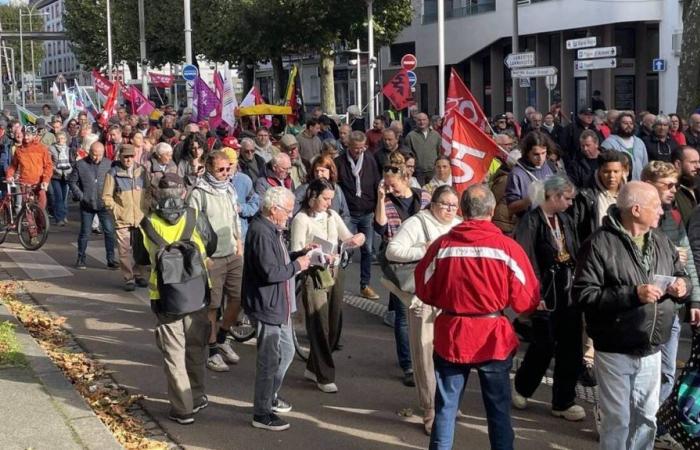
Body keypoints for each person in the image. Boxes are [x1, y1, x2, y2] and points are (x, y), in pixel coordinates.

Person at [415, 184, 540, 450]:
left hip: (452, 333)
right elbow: (526, 299)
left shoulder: (442, 246)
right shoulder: (508, 248)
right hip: (493, 336)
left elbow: (424, 288)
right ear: (493, 211)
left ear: (462, 210)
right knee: (498, 411)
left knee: (446, 408)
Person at [572, 181, 690, 450]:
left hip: (651, 349)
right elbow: (582, 295)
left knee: (647, 419)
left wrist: (682, 287)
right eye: (656, 206)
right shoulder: (599, 243)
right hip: (615, 349)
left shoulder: (661, 241)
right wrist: (632, 294)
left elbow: (680, 274)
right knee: (618, 420)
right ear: (636, 210)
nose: (662, 211)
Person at [385, 185, 461, 435]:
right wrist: (424, 249)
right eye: (445, 204)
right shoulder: (417, 223)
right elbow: (392, 251)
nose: (449, 210)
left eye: (453, 205)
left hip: (452, 298)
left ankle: (448, 402)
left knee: (450, 354)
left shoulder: (460, 224)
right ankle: (430, 410)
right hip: (423, 298)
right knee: (425, 354)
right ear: (433, 204)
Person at [141, 173, 216, 425]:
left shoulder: (147, 223)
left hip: (165, 298)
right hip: (198, 293)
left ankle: (182, 409)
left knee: (174, 353)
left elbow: (141, 258)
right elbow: (212, 244)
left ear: (158, 195)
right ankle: (196, 396)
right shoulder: (195, 216)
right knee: (196, 347)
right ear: (183, 193)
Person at [512, 175, 585, 421]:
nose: (570, 204)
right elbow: (525, 259)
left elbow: (573, 250)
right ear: (553, 196)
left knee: (571, 346)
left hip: (567, 289)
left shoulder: (565, 219)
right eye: (567, 199)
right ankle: (522, 386)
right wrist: (534, 294)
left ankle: (563, 401)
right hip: (544, 290)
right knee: (543, 344)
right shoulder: (531, 221)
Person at [243, 187, 313, 432]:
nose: (291, 214)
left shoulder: (272, 229)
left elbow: (278, 262)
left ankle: (269, 396)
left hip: (278, 305)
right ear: (274, 210)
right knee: (269, 361)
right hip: (268, 305)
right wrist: (298, 265)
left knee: (286, 350)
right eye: (288, 210)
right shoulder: (262, 232)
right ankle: (261, 412)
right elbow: (270, 272)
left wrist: (299, 254)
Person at [641, 161, 700, 449]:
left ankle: (656, 426)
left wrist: (693, 296)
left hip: (672, 308)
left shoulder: (674, 215)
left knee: (666, 372)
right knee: (640, 377)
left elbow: (687, 259)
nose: (674, 190)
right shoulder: (632, 216)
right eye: (669, 185)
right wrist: (669, 255)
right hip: (643, 312)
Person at [290, 179, 365, 393]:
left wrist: (356, 239)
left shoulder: (332, 215)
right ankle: (324, 375)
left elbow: (347, 238)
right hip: (314, 274)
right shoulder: (301, 219)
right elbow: (296, 250)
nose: (328, 203)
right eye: (325, 198)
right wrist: (312, 252)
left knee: (333, 325)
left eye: (331, 199)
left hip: (335, 272)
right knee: (319, 324)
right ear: (312, 195)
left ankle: (314, 367)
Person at [375, 151, 432, 387]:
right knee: (402, 314)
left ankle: (427, 356)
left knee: (427, 310)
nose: (392, 190)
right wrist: (380, 199)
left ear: (406, 178)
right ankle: (408, 364)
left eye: (394, 185)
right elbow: (379, 229)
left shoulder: (424, 197)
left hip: (425, 261)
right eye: (388, 185)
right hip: (399, 264)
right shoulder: (386, 200)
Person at [188, 150, 244, 372]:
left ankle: (222, 337)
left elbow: (234, 218)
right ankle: (212, 351)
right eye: (220, 169)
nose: (225, 173)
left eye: (228, 168)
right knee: (213, 305)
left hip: (233, 253)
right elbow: (191, 226)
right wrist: (202, 255)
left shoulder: (229, 189)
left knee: (238, 298)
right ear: (209, 168)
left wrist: (239, 242)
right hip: (212, 257)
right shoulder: (198, 193)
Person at [335, 130, 382, 300]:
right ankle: (337, 283)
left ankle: (365, 285)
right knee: (344, 250)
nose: (359, 152)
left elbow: (377, 183)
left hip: (367, 212)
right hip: (348, 214)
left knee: (367, 250)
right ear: (348, 146)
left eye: (362, 148)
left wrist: (377, 207)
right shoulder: (340, 162)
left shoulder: (370, 159)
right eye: (356, 148)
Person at [101, 144, 149, 291]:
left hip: (140, 217)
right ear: (120, 157)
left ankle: (139, 274)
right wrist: (116, 211)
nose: (128, 159)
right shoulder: (112, 173)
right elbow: (106, 197)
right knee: (124, 251)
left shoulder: (142, 171)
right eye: (125, 156)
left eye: (131, 156)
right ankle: (129, 278)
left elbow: (148, 192)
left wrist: (147, 208)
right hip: (123, 218)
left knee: (141, 249)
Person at [69, 141, 117, 270]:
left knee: (109, 232)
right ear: (89, 152)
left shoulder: (108, 164)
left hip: (103, 204)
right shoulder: (80, 164)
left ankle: (111, 259)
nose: (97, 158)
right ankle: (81, 258)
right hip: (87, 205)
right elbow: (72, 181)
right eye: (94, 154)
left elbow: (114, 182)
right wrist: (81, 196)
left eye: (100, 155)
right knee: (85, 233)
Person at [505, 130, 558, 218]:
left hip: (549, 219)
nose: (540, 158)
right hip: (528, 223)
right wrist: (530, 199)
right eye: (536, 154)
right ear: (527, 153)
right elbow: (511, 208)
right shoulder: (517, 174)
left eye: (543, 153)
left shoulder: (549, 166)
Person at [5, 125, 52, 211]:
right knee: (28, 208)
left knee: (41, 208)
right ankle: (31, 224)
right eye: (24, 134)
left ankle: (40, 224)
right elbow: (13, 165)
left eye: (28, 135)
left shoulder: (42, 148)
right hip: (25, 183)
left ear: (34, 135)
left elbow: (48, 166)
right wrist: (9, 175)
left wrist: (46, 180)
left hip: (39, 183)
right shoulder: (19, 150)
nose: (26, 137)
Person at [293, 155, 350, 223]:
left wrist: (338, 228)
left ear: (330, 172)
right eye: (316, 171)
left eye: (322, 171)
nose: (319, 174)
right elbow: (293, 209)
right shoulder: (305, 189)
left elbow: (345, 215)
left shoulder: (337, 189)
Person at [223, 147, 259, 241]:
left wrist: (241, 208)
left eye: (231, 164)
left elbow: (255, 204)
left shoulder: (245, 180)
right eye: (223, 166)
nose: (227, 168)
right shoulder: (214, 182)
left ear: (236, 163)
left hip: (240, 235)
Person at [601, 111, 648, 181]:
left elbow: (645, 165)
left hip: (639, 185)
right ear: (618, 125)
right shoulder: (609, 143)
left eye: (631, 123)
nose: (629, 125)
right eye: (625, 123)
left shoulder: (639, 142)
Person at [406, 113, 441, 185]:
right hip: (418, 172)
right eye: (419, 120)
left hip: (432, 172)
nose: (422, 122)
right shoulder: (410, 136)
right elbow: (408, 155)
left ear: (428, 121)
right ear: (416, 121)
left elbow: (439, 152)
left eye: (424, 120)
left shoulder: (436, 135)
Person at [672, 146, 700, 227]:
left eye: (698, 162)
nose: (698, 166)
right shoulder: (671, 192)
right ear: (678, 164)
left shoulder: (696, 187)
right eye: (693, 162)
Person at [48, 131, 72, 226]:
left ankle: (63, 215)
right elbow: (49, 161)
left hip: (66, 175)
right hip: (55, 175)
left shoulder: (68, 149)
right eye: (58, 138)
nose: (60, 140)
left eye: (62, 138)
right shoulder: (51, 148)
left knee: (64, 197)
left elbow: (71, 161)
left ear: (65, 140)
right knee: (58, 197)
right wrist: (55, 168)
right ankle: (59, 218)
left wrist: (70, 169)